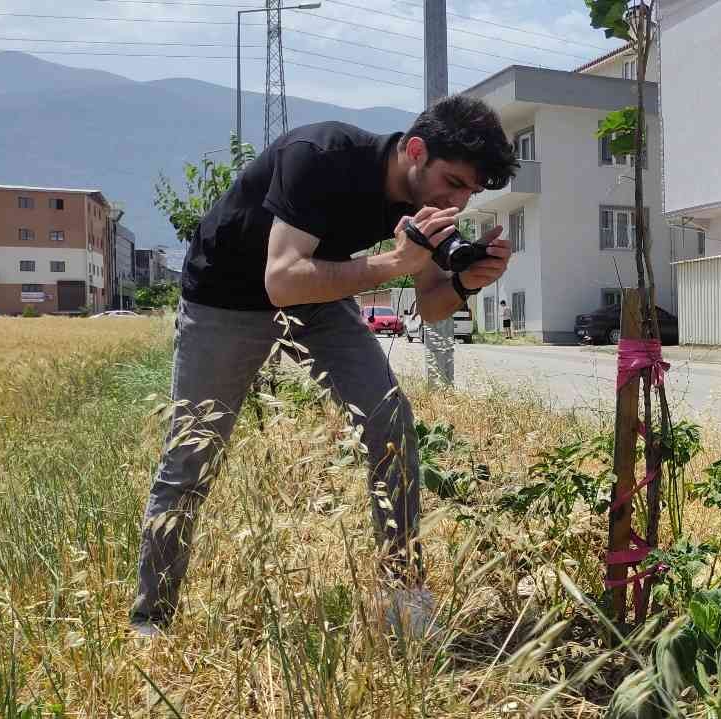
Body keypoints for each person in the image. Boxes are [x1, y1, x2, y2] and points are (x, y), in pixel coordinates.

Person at [130, 96, 517, 637]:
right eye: (452, 183)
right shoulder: (320, 156)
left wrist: (465, 280)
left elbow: (430, 307)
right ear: (415, 151)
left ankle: (403, 600)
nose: (455, 201)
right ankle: (152, 618)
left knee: (390, 424)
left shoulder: (424, 201)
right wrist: (394, 263)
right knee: (192, 455)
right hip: (226, 295)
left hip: (314, 295)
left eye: (469, 193)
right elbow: (281, 279)